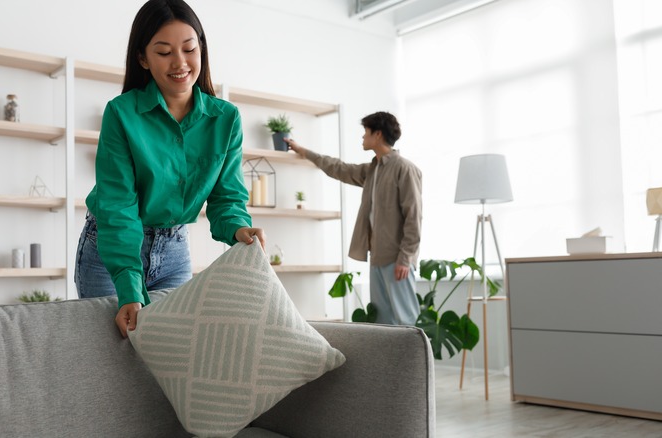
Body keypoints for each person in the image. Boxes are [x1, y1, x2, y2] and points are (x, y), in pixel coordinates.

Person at [75, 0, 265, 338]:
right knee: (107, 362)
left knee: (171, 357)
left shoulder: (226, 119)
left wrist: (238, 229)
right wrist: (130, 288)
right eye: (164, 52)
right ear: (143, 58)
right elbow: (118, 205)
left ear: (201, 50)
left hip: (174, 249)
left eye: (189, 49)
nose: (180, 63)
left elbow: (227, 197)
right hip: (111, 250)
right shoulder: (121, 113)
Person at [285, 112, 422, 325]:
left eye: (365, 133)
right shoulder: (373, 169)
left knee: (406, 321)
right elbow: (338, 168)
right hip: (377, 257)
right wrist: (303, 151)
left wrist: (405, 258)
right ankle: (385, 360)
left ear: (377, 134)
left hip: (398, 260)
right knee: (383, 322)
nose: (362, 138)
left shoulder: (404, 169)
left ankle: (417, 360)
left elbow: (414, 217)